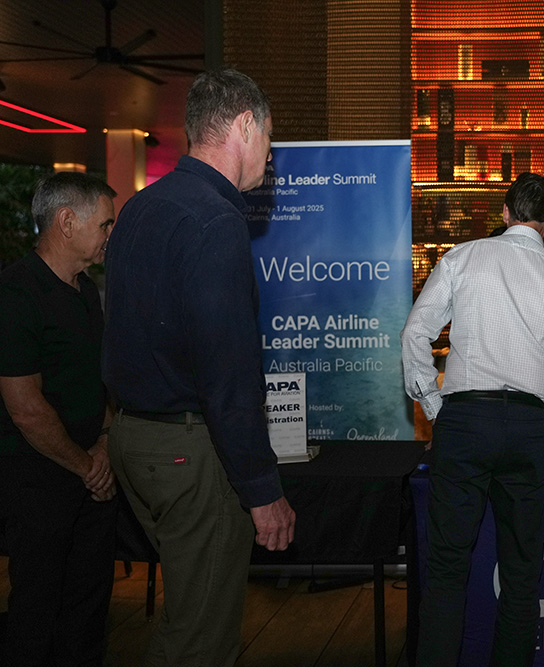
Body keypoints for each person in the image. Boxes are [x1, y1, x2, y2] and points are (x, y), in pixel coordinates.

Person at [102, 69, 296, 667]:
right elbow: (227, 374)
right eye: (270, 137)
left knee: (187, 613)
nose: (271, 155)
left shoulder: (141, 207)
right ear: (245, 125)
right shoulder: (216, 222)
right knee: (200, 638)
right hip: (189, 450)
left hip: (134, 439)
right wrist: (262, 491)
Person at [401, 172, 544, 666]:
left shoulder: (463, 257)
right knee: (521, 573)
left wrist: (436, 407)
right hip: (529, 427)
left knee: (447, 569)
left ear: (506, 213)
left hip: (465, 421)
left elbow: (414, 335)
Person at [0, 172, 118, 666]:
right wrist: (87, 465)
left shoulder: (87, 291)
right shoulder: (16, 293)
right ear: (67, 222)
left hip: (93, 480)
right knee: (36, 612)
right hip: (40, 486)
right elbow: (26, 408)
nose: (111, 235)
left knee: (88, 611)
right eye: (105, 224)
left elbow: (101, 381)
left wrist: (105, 444)